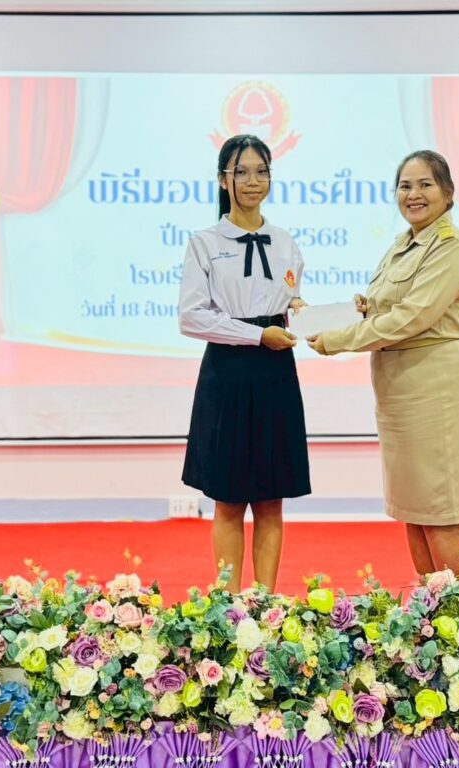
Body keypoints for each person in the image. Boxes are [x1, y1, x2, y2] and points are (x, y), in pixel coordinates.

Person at [307, 150, 459, 576]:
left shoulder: (450, 246)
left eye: (425, 184)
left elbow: (412, 317)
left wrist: (338, 339)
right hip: (399, 387)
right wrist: (358, 310)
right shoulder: (403, 244)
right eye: (405, 185)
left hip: (433, 385)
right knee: (413, 507)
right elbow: (390, 307)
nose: (413, 194)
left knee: (438, 508)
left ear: (448, 192)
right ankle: (430, 605)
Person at [178, 134, 310, 593]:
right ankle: (229, 604)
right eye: (242, 172)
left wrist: (304, 311)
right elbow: (191, 317)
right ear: (223, 179)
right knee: (229, 500)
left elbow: (289, 302)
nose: (253, 181)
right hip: (227, 374)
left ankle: (265, 603)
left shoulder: (286, 242)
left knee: (271, 500)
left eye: (261, 171)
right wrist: (256, 335)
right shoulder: (204, 243)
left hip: (276, 374)